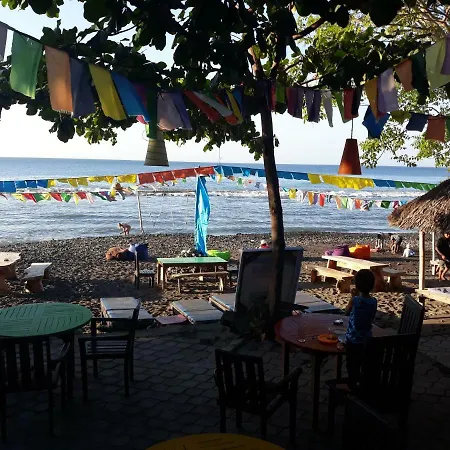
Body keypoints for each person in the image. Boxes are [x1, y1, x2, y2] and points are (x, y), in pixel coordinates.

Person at [343, 269, 377, 391]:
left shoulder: (355, 300)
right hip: (367, 338)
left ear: (357, 285)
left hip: (353, 339)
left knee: (352, 365)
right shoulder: (374, 301)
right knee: (363, 363)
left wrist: (352, 297)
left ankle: (352, 387)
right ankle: (362, 385)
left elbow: (346, 312)